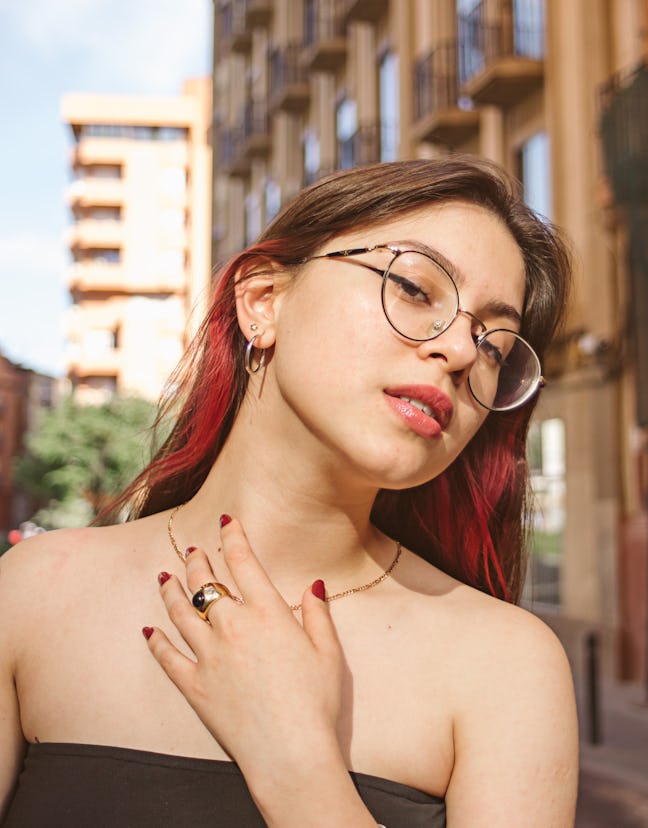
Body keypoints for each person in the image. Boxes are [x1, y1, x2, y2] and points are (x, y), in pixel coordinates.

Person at [0, 156, 578, 826]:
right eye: (418, 289)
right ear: (262, 301)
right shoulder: (36, 594)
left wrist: (300, 769)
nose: (457, 349)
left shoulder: (506, 667)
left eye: (494, 346)